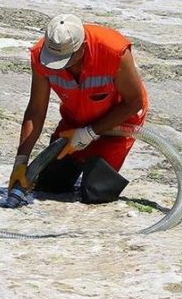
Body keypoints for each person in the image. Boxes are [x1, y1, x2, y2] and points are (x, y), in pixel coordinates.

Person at [8, 14, 148, 204]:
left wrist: (90, 133)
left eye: (65, 60)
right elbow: (36, 110)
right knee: (49, 186)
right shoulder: (41, 55)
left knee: (95, 193)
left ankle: (96, 170)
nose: (58, 66)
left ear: (82, 47)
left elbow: (134, 102)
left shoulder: (113, 50)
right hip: (75, 122)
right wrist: (21, 160)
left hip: (118, 123)